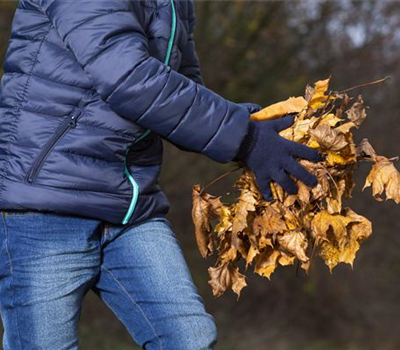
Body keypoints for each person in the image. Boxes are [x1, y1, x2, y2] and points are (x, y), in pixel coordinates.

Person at [0, 0, 320, 349]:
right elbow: (129, 78)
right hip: (47, 205)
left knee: (190, 340)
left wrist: (252, 124)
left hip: (131, 206)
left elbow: (181, 87)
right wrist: (244, 139)